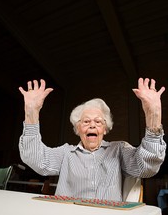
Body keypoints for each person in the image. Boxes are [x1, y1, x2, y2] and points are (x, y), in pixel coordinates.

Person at [19, 78, 166, 201]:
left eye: (98, 122)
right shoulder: (66, 153)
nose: (92, 125)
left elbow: (146, 167)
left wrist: (153, 114)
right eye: (86, 121)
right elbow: (35, 158)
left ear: (105, 128)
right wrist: (31, 112)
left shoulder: (119, 150)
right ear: (78, 129)